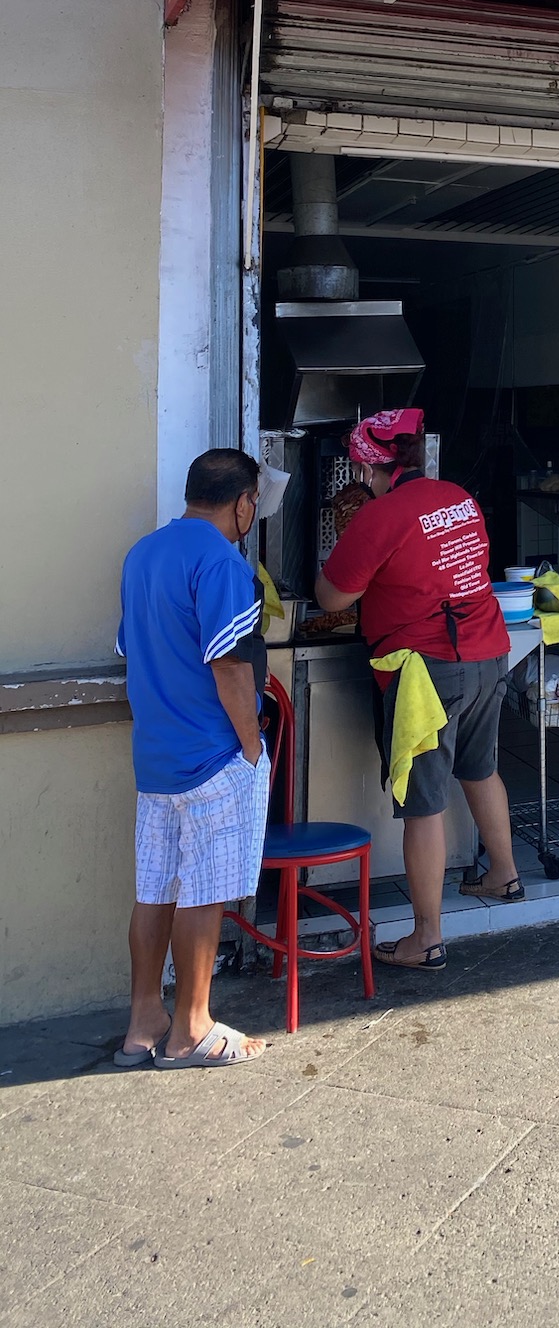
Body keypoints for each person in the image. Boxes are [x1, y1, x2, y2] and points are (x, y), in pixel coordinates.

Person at [315, 409, 521, 970]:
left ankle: (425, 936)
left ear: (365, 463)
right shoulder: (458, 496)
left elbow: (331, 597)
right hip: (487, 648)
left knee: (423, 806)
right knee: (481, 767)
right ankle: (503, 873)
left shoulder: (381, 515)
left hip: (430, 667)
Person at [117, 448, 272, 1069]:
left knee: (155, 890)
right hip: (211, 756)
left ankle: (142, 1022)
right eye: (253, 504)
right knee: (203, 895)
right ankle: (191, 1030)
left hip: (154, 758)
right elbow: (230, 666)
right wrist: (253, 746)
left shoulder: (142, 555)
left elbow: (135, 648)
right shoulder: (222, 561)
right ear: (242, 503)